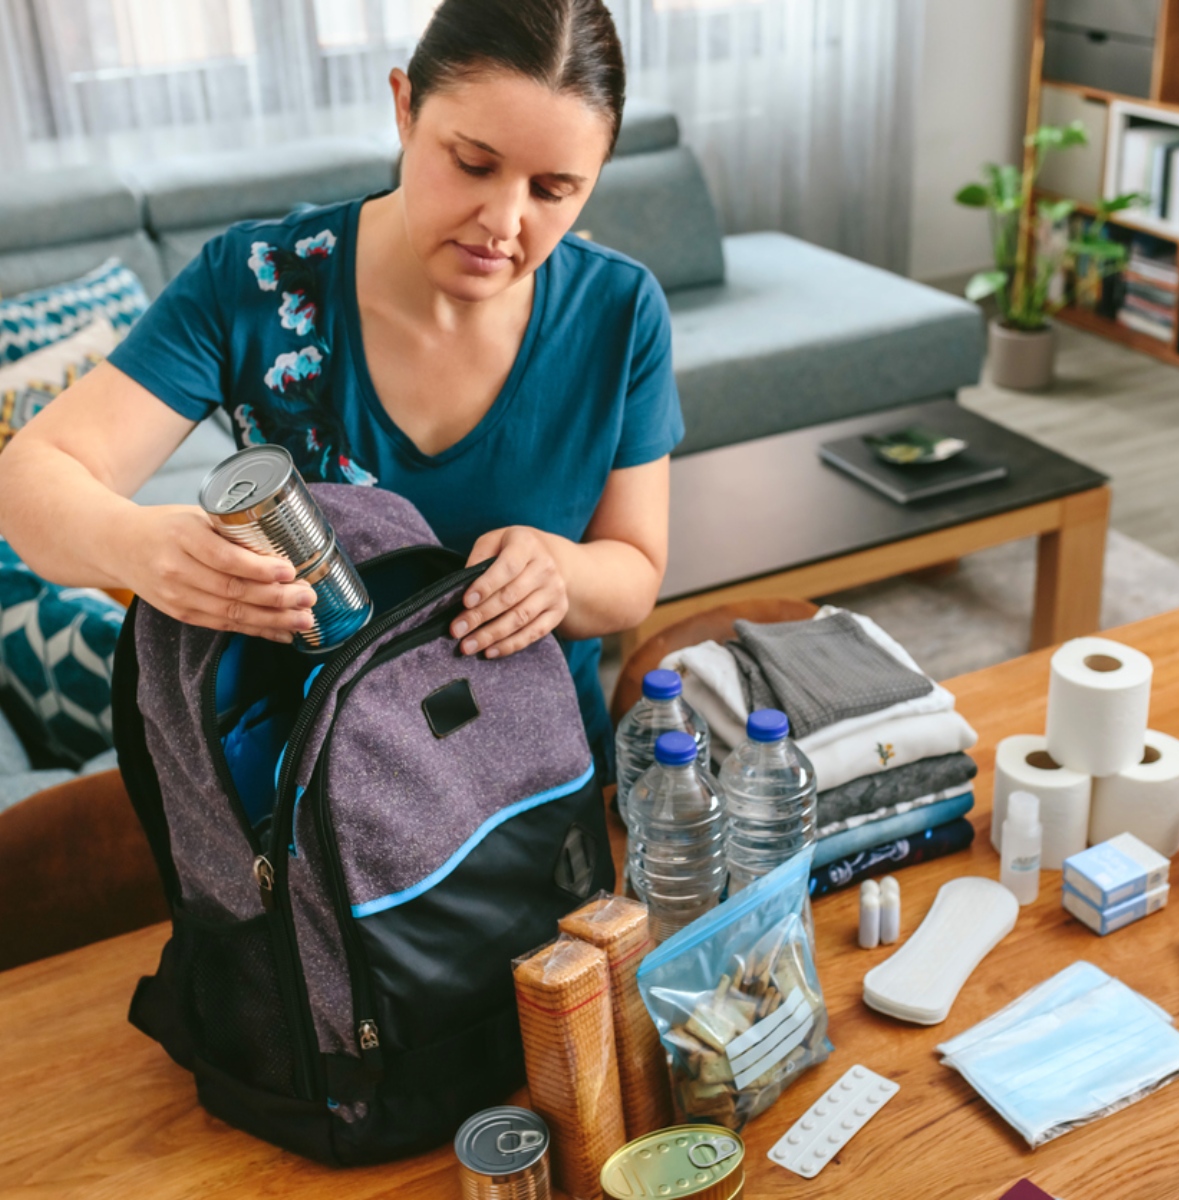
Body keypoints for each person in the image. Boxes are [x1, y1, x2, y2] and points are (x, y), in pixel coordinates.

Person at [0, 0, 683, 779]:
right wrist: (140, 548)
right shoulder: (255, 283)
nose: (503, 221)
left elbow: (634, 565)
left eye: (554, 189)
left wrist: (562, 574)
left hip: (534, 789)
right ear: (403, 106)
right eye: (473, 163)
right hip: (311, 806)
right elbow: (31, 476)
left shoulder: (620, 313)